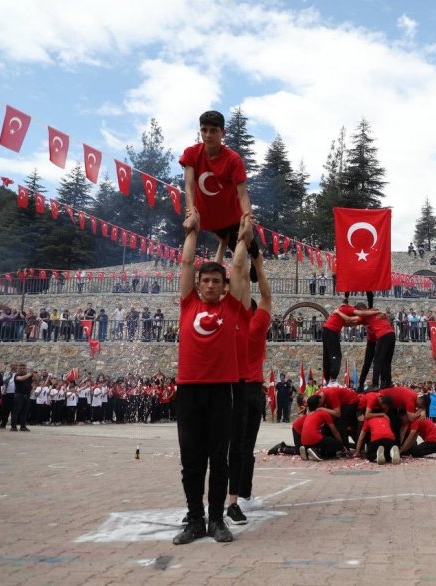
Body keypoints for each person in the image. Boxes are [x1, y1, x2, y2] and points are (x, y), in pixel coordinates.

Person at [172, 211, 252, 546]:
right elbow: (188, 262)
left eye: (215, 281)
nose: (208, 284)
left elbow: (239, 270)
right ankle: (194, 519)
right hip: (188, 391)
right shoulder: (187, 303)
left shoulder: (231, 308)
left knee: (219, 459)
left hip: (221, 391)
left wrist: (243, 238)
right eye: (204, 280)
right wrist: (193, 228)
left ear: (223, 287)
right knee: (191, 460)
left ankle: (217, 519)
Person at [179, 110, 259, 282]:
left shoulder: (233, 159)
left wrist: (247, 220)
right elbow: (189, 185)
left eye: (213, 130)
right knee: (191, 231)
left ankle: (257, 264)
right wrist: (191, 213)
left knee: (249, 246)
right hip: (206, 216)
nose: (208, 135)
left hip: (232, 217)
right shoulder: (192, 153)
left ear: (223, 132)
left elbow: (243, 193)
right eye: (204, 130)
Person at [226, 250, 273, 526]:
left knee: (234, 445)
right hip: (253, 390)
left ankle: (236, 495)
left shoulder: (236, 324)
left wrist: (241, 259)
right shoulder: (257, 324)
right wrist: (258, 264)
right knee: (247, 445)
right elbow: (266, 297)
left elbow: (238, 286)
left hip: (234, 388)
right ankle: (243, 495)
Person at [321, 296, 359, 384]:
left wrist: (353, 323)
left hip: (326, 331)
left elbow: (345, 323)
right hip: (332, 332)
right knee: (336, 355)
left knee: (327, 355)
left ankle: (327, 378)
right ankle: (333, 379)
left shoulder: (340, 309)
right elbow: (349, 319)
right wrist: (359, 319)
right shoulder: (347, 309)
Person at [300, 395, 348, 461]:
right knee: (335, 443)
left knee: (323, 441)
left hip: (303, 440)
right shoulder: (323, 413)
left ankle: (308, 449)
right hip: (315, 439)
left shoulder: (309, 414)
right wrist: (342, 444)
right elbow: (334, 431)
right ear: (319, 404)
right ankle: (315, 451)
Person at [354, 397, 399, 464]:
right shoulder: (386, 418)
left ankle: (376, 456)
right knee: (387, 455)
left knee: (370, 455)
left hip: (377, 439)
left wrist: (357, 452)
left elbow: (361, 437)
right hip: (390, 439)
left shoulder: (368, 420)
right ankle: (391, 452)